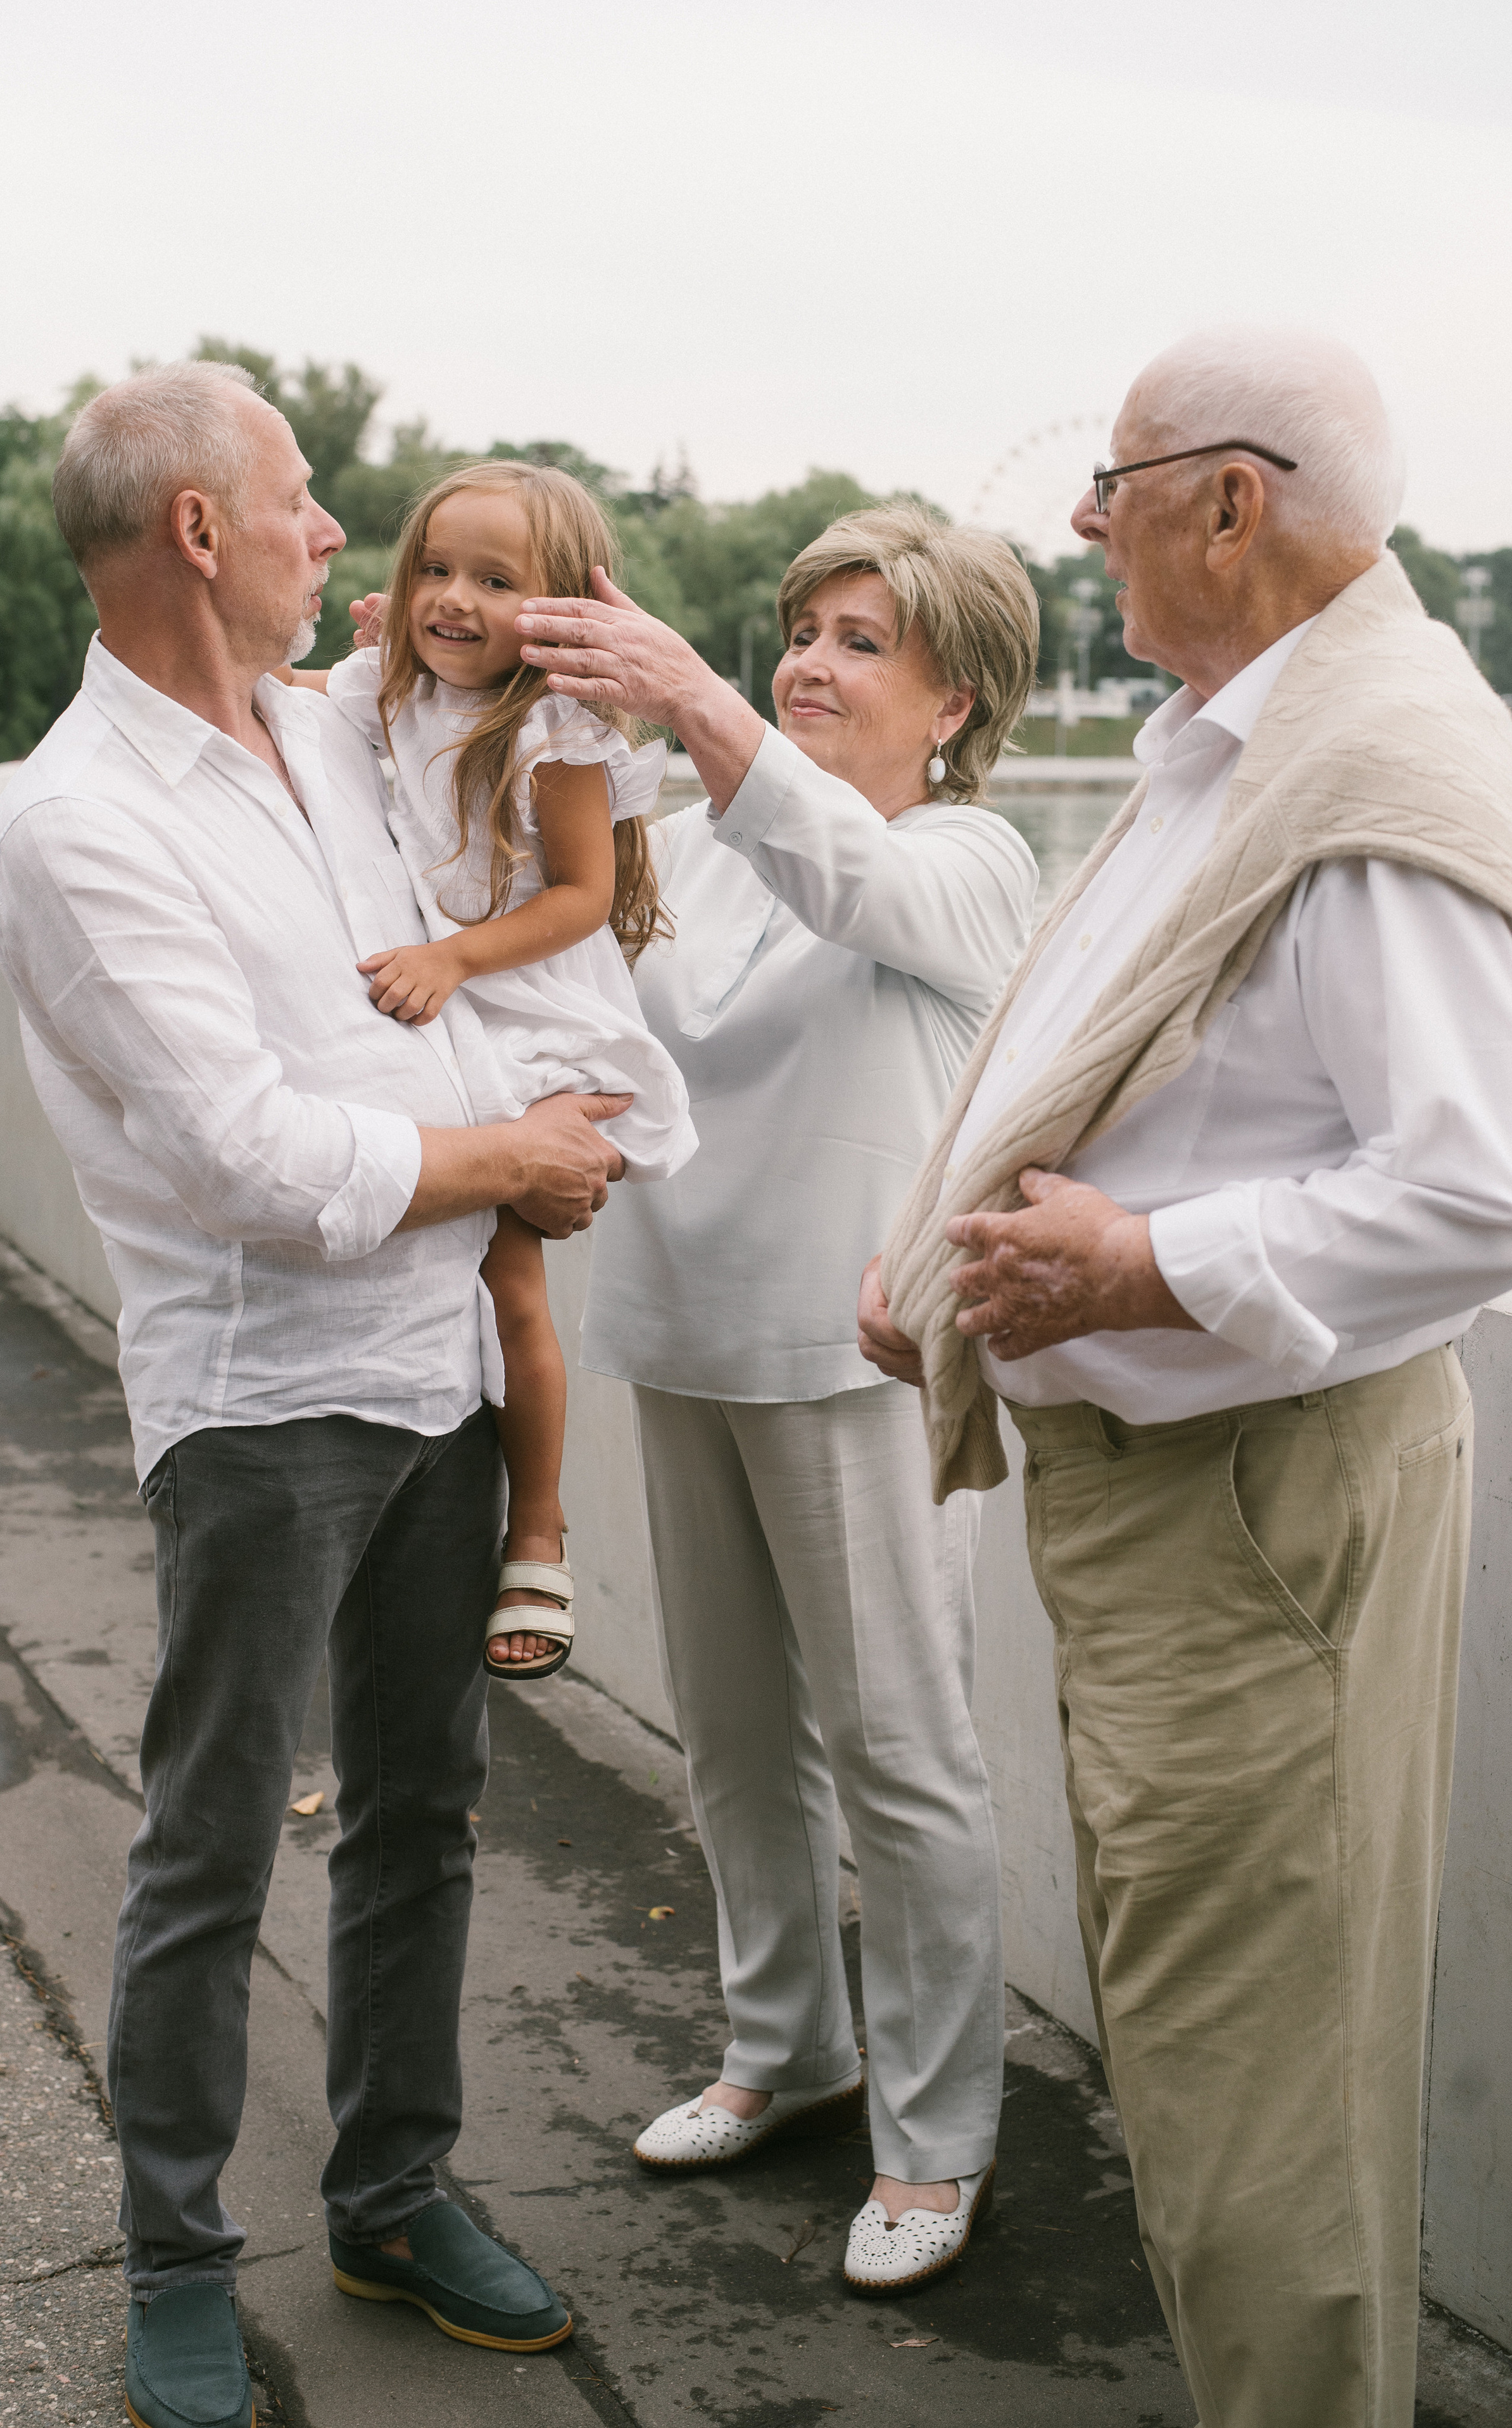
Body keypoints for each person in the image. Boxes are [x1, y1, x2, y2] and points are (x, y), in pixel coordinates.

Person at [861, 331, 1512, 2426]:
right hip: (1195, 1495)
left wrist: (1145, 1258)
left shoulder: (1374, 780)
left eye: (1115, 475)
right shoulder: (1242, 746)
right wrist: (964, 1261)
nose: (1080, 516)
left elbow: (1481, 1184)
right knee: (1214, 2050)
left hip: (1257, 1503)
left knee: (1264, 2116)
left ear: (1234, 502)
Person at [0, 361, 627, 2428]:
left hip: (439, 1364)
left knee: (424, 1810)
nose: (335, 531)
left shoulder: (331, 737)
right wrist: (516, 1160)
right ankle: (178, 2255)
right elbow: (255, 1161)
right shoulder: (79, 827)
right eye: (303, 498)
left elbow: (497, 774)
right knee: (214, 1834)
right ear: (197, 529)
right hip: (270, 1402)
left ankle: (392, 2191)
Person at [511, 506, 1040, 2292]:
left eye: (863, 639)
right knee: (735, 1739)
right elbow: (535, 889)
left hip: (857, 1354)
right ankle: (787, 2047)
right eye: (801, 627)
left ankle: (939, 2135)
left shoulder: (976, 858)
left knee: (904, 1752)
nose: (811, 658)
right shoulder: (702, 840)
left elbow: (852, 882)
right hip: (683, 1320)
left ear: (955, 695)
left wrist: (694, 694)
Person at [283, 460, 695, 1680]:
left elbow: (582, 895)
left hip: (521, 1004)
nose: (455, 598)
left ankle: (539, 1528)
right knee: (442, 1253)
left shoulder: (554, 731)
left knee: (511, 1270)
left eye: (496, 580)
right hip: (441, 995)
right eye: (436, 570)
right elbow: (295, 698)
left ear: (559, 608)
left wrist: (457, 956)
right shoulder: (387, 688)